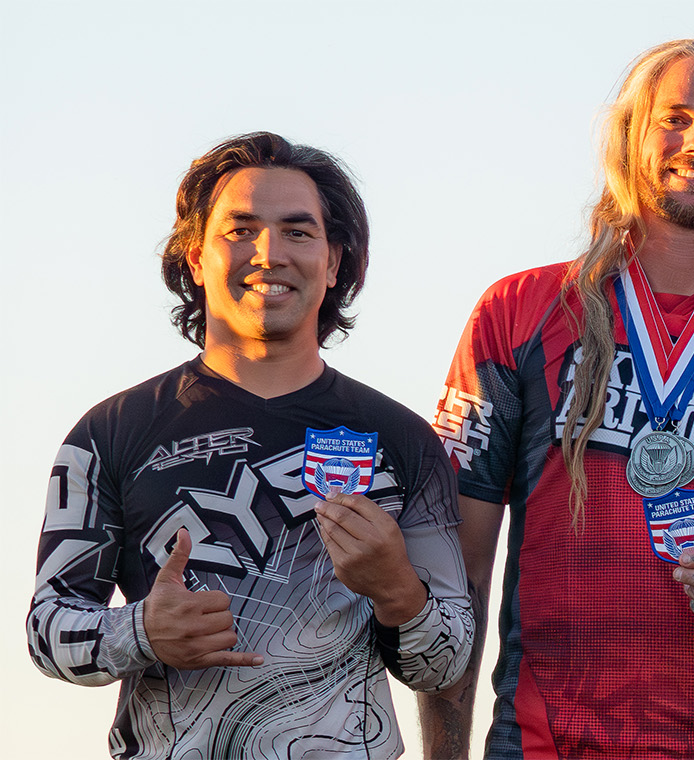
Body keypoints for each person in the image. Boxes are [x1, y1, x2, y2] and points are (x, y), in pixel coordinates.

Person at [428, 39, 694, 757]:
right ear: (632, 137)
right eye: (675, 118)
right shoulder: (520, 312)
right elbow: (457, 575)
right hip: (546, 744)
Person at [30, 132, 473, 758]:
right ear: (194, 258)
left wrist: (398, 588)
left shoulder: (402, 442)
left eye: (298, 231)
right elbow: (46, 630)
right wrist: (142, 631)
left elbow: (446, 661)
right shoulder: (107, 435)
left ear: (335, 261)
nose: (269, 254)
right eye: (239, 230)